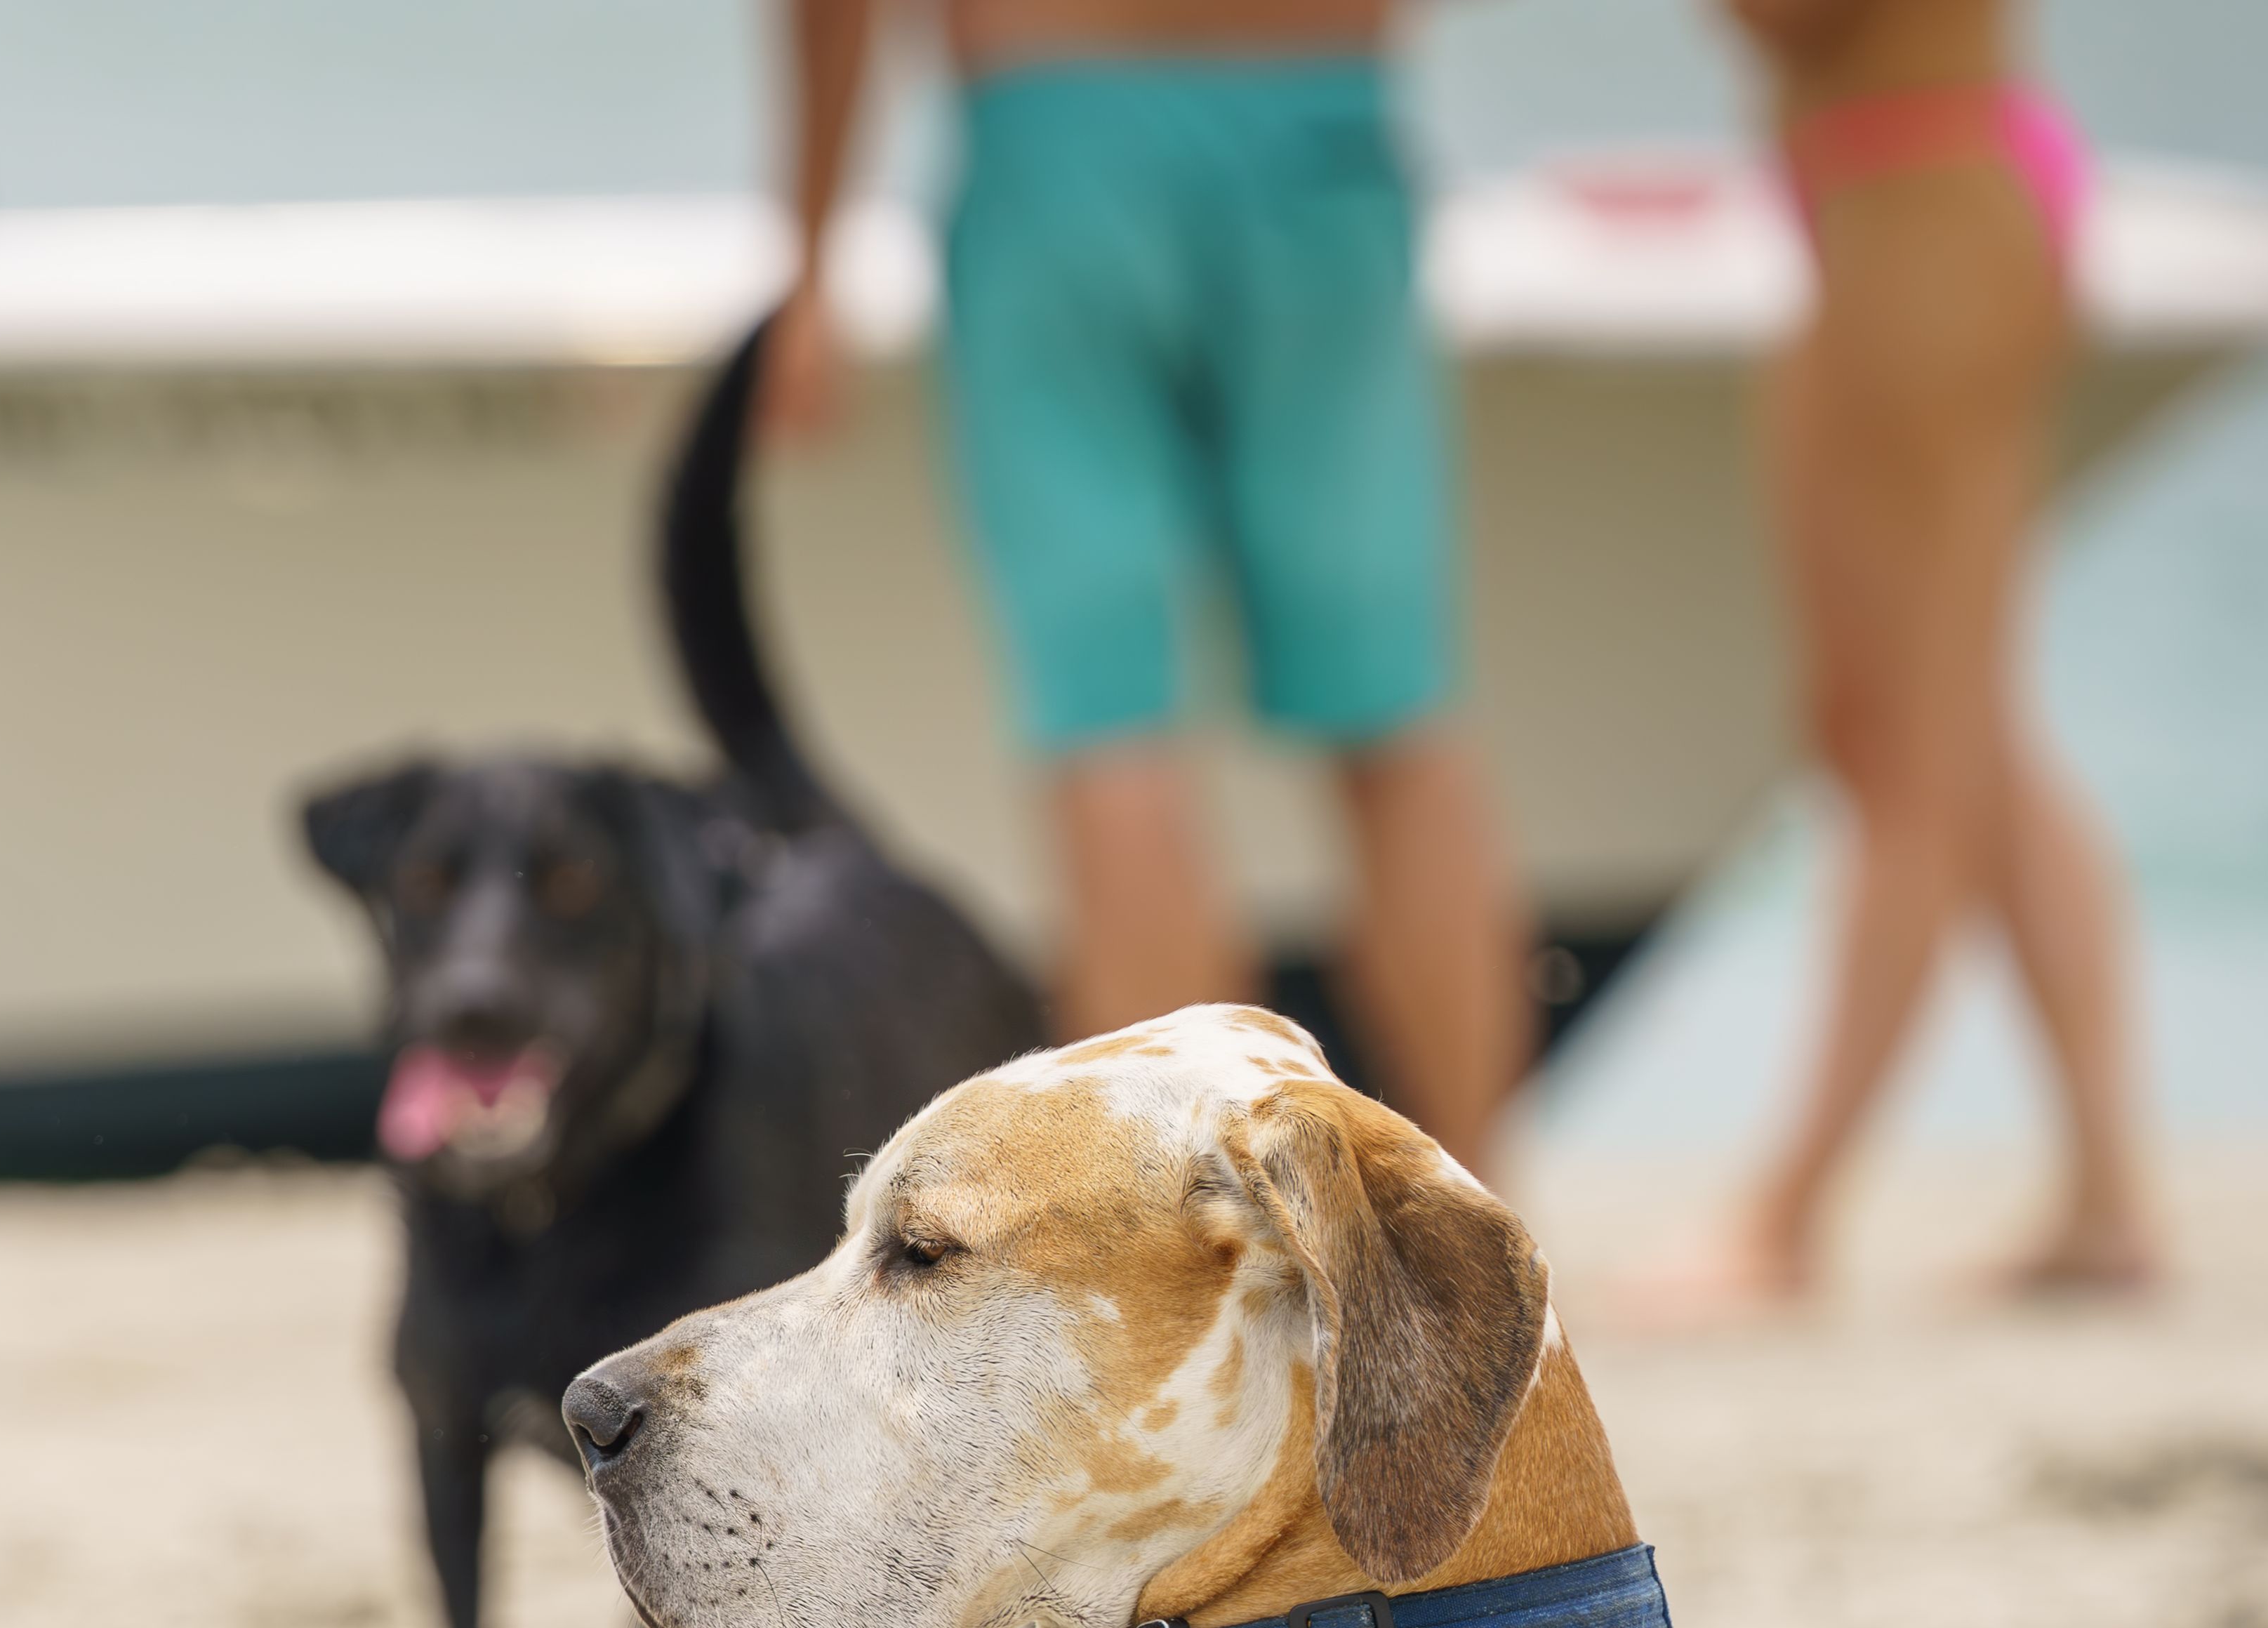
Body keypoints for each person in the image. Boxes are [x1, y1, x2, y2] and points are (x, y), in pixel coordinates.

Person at [767, 0, 1530, 1167]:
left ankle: (1186, 1213)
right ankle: (1487, 1215)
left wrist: (811, 254)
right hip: (1323, 108)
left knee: (1111, 730)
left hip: (1058, 119)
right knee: (1396, 718)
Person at [1637, 0, 2154, 1315]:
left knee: (1908, 751)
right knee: (1928, 729)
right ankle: (2106, 1196)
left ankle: (1787, 1217)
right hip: (1890, 188)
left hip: (1920, 193)